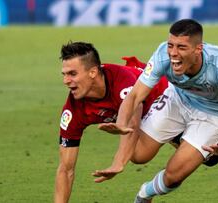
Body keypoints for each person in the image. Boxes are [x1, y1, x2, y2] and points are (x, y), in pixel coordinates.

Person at [93, 19, 218, 202]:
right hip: (178, 100)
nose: (173, 53)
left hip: (215, 115)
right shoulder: (163, 54)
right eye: (171, 45)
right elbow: (135, 96)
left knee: (175, 174)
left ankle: (145, 193)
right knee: (138, 155)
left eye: (181, 47)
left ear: (199, 49)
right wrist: (121, 123)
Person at [54, 42, 168, 203]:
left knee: (138, 154)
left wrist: (118, 163)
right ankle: (150, 190)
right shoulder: (73, 110)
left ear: (93, 72)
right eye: (64, 74)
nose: (66, 80)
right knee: (141, 155)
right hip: (148, 118)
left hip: (166, 96)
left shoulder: (121, 78)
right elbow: (65, 169)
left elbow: (133, 122)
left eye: (72, 74)